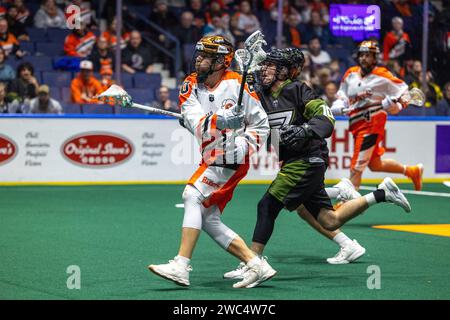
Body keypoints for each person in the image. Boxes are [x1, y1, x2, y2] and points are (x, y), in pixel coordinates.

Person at [224, 48, 412, 279]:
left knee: (267, 206)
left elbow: (326, 119)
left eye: (270, 65)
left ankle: (253, 263)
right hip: (296, 160)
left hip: (307, 159)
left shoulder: (298, 89)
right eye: (265, 65)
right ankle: (381, 194)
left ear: (284, 71)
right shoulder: (261, 93)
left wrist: (305, 129)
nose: (264, 68)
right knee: (329, 220)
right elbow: (240, 113)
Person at [148, 35, 276, 289]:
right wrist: (219, 119)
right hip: (210, 154)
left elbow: (261, 125)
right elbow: (197, 122)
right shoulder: (190, 85)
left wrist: (244, 145)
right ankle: (257, 265)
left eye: (206, 56)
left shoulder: (237, 84)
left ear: (220, 61)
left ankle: (181, 266)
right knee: (208, 219)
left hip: (232, 156)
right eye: (199, 54)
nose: (199, 59)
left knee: (191, 196)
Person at [330, 41, 423, 191]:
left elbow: (405, 93)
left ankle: (347, 204)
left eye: (368, 55)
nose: (364, 58)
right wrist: (339, 106)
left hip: (371, 125)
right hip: (356, 125)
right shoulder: (350, 73)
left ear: (375, 58)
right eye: (362, 55)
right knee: (375, 164)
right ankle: (412, 171)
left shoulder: (383, 75)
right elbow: (342, 96)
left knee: (356, 168)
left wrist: (397, 105)